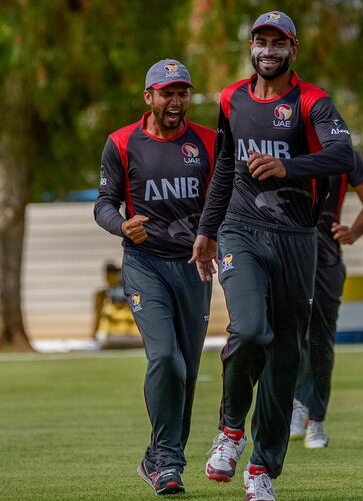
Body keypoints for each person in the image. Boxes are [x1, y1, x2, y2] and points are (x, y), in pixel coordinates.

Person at [190, 11, 356, 500]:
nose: (268, 50)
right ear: (252, 47)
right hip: (240, 229)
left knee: (285, 355)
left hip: (297, 237)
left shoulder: (313, 102)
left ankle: (261, 470)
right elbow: (223, 167)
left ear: (292, 49)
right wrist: (206, 230)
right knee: (248, 329)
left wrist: (289, 167)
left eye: (277, 43)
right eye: (260, 41)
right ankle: (230, 430)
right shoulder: (231, 98)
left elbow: (343, 156)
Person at [94, 59, 216, 495]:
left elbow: (224, 199)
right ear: (149, 97)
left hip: (194, 267)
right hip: (144, 265)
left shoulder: (209, 142)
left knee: (185, 373)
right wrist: (122, 225)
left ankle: (156, 457)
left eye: (182, 92)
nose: (176, 101)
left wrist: (215, 237)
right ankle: (169, 463)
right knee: (165, 359)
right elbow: (103, 203)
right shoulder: (122, 143)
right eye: (167, 92)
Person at [289, 155, 363, 448]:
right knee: (284, 334)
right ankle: (293, 403)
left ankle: (315, 420)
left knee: (320, 339)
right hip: (286, 255)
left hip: (326, 260)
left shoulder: (342, 152)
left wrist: (353, 231)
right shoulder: (280, 141)